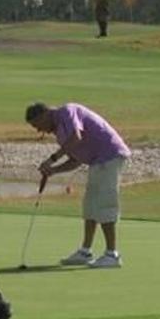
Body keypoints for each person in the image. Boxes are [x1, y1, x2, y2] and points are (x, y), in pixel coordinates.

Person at [25, 102, 131, 268]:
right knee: (90, 207)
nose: (39, 130)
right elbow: (76, 160)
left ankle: (112, 254)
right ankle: (85, 252)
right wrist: (53, 170)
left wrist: (52, 159)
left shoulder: (67, 111)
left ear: (45, 115)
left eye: (38, 125)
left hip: (110, 155)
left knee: (104, 205)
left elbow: (77, 136)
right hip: (97, 161)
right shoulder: (59, 134)